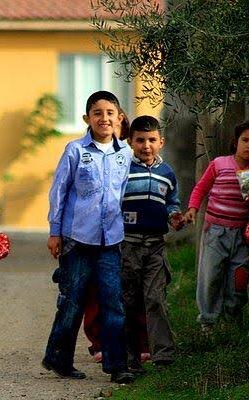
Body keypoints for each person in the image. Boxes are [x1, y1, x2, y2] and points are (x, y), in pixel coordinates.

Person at [43, 90, 134, 384]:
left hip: (112, 242)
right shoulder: (75, 151)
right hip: (76, 240)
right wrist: (55, 232)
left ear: (120, 118)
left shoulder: (126, 154)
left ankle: (117, 365)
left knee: (113, 302)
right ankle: (58, 358)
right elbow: (59, 192)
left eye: (110, 113)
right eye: (97, 113)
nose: (104, 118)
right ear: (87, 119)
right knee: (72, 301)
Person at [184, 121, 249, 333]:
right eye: (245, 140)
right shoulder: (220, 164)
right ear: (235, 142)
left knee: (238, 281)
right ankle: (208, 323)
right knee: (210, 277)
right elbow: (200, 188)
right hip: (215, 232)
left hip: (242, 236)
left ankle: (232, 321)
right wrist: (193, 208)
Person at [82, 108, 150, 364]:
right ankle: (99, 343)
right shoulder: (88, 155)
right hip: (99, 234)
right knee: (97, 292)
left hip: (132, 237)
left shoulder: (137, 164)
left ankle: (138, 342)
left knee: (134, 292)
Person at [119, 115, 185, 373]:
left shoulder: (167, 173)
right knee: (128, 301)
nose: (146, 145)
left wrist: (175, 216)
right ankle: (129, 358)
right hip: (127, 246)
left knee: (155, 298)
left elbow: (172, 203)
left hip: (156, 246)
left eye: (151, 140)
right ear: (130, 141)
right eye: (140, 140)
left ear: (161, 142)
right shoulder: (124, 169)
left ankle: (163, 356)